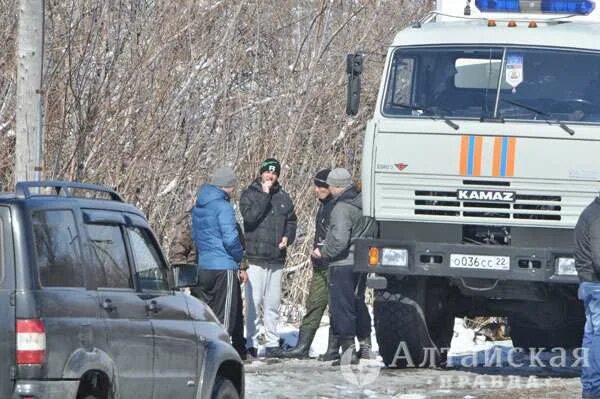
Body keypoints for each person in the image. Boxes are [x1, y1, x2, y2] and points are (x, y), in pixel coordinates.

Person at [313, 168, 375, 366]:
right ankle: (365, 344)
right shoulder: (365, 203)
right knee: (357, 302)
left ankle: (347, 352)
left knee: (342, 307)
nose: (328, 189)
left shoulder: (341, 208)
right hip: (361, 261)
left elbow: (339, 240)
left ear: (337, 186)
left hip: (343, 263)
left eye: (330, 185)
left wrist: (323, 251)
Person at [280, 168, 340, 360]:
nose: (317, 190)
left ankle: (333, 349)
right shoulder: (323, 205)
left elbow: (337, 236)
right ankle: (302, 346)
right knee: (314, 303)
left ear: (330, 187)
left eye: (321, 186)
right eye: (316, 186)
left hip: (335, 265)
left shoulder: (338, 207)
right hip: (320, 265)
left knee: (336, 308)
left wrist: (323, 249)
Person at [240, 158, 297, 358]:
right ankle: (251, 343)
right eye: (267, 172)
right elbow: (250, 218)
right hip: (255, 258)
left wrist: (287, 237)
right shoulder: (249, 194)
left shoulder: (283, 197)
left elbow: (291, 221)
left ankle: (272, 342)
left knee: (272, 304)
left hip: (276, 259)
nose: (270, 176)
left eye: (274, 173)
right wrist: (264, 195)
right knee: (254, 303)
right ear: (261, 173)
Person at [190, 166, 247, 359]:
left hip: (204, 266)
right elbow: (230, 239)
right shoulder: (224, 207)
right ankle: (220, 356)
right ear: (228, 186)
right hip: (223, 267)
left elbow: (195, 236)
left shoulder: (199, 205)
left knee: (208, 313)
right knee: (225, 316)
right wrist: (239, 256)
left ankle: (204, 352)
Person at [575, 195, 600, 399]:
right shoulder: (597, 217)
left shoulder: (590, 212)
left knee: (592, 336)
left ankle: (591, 388)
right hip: (597, 283)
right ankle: (594, 388)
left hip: (589, 282)